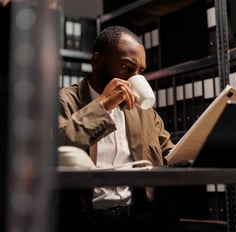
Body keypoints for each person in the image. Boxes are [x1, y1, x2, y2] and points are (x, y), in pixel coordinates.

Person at [56, 25, 179, 232]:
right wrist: (102, 106)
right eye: (126, 67)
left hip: (137, 217)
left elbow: (172, 153)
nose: (134, 78)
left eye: (140, 72)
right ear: (97, 62)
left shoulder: (143, 110)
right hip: (85, 219)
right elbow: (56, 145)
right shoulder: (64, 101)